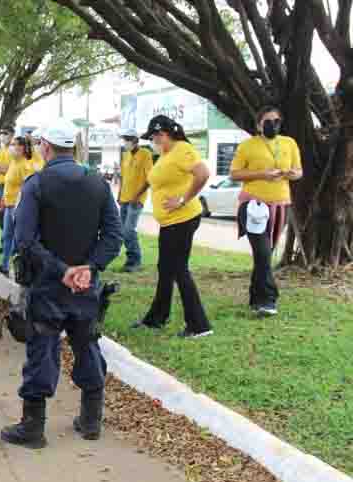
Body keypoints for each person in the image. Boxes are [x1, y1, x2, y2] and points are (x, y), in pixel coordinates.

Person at [0, 119, 122, 449]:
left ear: (46, 147)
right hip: (85, 285)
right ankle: (91, 420)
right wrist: (89, 267)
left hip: (48, 284)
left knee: (42, 350)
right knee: (87, 345)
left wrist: (61, 269)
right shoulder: (98, 183)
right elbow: (114, 236)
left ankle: (33, 428)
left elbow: (24, 240)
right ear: (74, 148)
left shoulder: (36, 184)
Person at [132, 115, 214, 339]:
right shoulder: (167, 154)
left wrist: (183, 199)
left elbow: (203, 174)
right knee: (165, 269)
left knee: (178, 269)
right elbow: (155, 180)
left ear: (164, 133)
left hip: (183, 218)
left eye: (155, 136)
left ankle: (199, 325)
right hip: (170, 222)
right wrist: (135, 194)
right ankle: (157, 318)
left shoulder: (182, 149)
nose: (153, 141)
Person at [230, 106, 302, 317]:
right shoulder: (247, 146)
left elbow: (299, 172)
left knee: (265, 255)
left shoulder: (289, 143)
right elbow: (234, 173)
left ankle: (255, 296)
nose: (273, 125)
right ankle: (268, 300)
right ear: (259, 123)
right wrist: (263, 174)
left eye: (277, 121)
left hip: (281, 204)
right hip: (254, 205)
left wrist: (290, 173)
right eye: (268, 121)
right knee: (262, 253)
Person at [0, 135, 43, 276]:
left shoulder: (26, 165)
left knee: (16, 238)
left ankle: (18, 267)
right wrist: (3, 198)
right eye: (12, 144)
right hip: (9, 204)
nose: (12, 147)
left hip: (17, 206)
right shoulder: (14, 162)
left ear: (22, 147)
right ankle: (5, 266)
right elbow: (8, 183)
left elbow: (28, 187)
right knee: (7, 236)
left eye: (15, 144)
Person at [117, 129, 154, 272]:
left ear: (135, 140)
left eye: (127, 139)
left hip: (137, 200)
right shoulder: (125, 155)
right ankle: (130, 260)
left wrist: (137, 196)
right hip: (125, 198)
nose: (125, 142)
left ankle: (135, 261)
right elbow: (123, 177)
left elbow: (150, 178)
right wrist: (119, 194)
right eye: (124, 139)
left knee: (129, 230)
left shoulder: (145, 154)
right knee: (122, 231)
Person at [0, 126, 15, 230]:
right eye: (1, 133)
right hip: (0, 186)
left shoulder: (14, 150)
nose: (2, 135)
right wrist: (1, 168)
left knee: (8, 217)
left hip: (10, 187)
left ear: (12, 135)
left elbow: (12, 170)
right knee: (1, 217)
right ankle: (4, 242)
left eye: (5, 133)